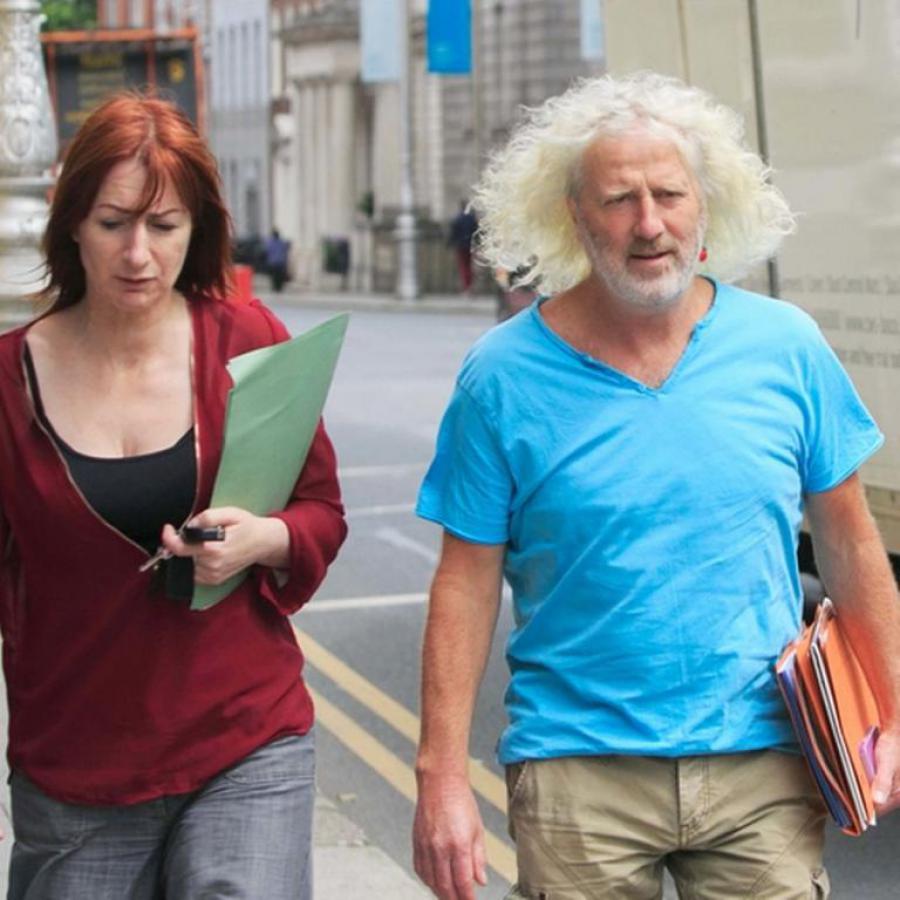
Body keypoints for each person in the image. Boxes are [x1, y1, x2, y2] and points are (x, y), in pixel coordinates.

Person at [412, 72, 900, 900]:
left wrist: (892, 709)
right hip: (578, 775)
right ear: (572, 213)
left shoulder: (786, 347)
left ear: (705, 205)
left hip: (762, 763)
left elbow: (851, 543)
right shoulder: (500, 377)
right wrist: (440, 778)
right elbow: (465, 581)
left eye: (669, 194)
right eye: (618, 199)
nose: (649, 224)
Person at [0, 91, 346, 899]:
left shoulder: (248, 341)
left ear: (195, 233)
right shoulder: (9, 379)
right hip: (76, 766)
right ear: (72, 224)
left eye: (164, 227)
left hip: (243, 737)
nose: (138, 254)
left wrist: (266, 540)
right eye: (114, 222)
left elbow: (320, 513)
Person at [448, 201, 478, 294]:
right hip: (470, 245)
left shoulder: (458, 218)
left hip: (461, 246)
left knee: (463, 266)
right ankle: (469, 286)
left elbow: (454, 233)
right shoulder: (472, 219)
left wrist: (450, 243)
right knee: (469, 266)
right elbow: (476, 232)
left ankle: (466, 286)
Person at [264, 226, 291, 292]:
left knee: (274, 276)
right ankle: (279, 287)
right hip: (280, 262)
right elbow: (285, 250)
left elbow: (267, 251)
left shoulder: (270, 242)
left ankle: (275, 287)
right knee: (279, 276)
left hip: (273, 262)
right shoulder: (281, 242)